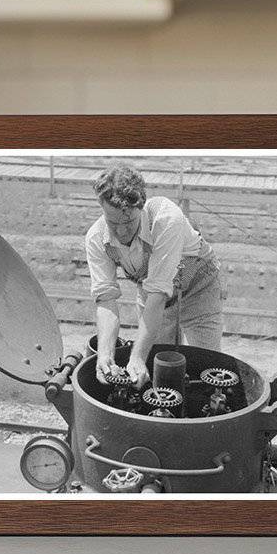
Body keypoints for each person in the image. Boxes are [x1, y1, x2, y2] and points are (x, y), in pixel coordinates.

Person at [85, 163, 225, 388]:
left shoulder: (166, 217)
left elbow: (159, 294)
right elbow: (106, 300)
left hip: (197, 286)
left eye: (129, 222)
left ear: (141, 206)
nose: (121, 232)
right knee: (157, 367)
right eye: (112, 222)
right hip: (152, 292)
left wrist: (136, 357)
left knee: (207, 365)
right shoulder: (96, 238)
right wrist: (104, 355)